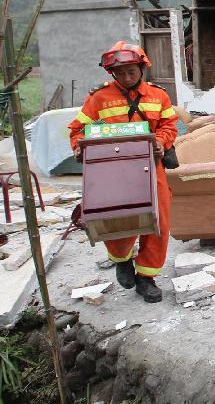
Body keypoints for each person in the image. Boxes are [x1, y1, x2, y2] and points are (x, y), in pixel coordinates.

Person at [68, 42, 179, 303]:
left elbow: (169, 125)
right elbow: (77, 130)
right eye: (121, 73)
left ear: (141, 68)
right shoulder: (99, 98)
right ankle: (121, 259)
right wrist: (78, 147)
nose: (127, 77)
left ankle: (147, 277)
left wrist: (161, 141)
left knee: (158, 221)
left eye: (132, 72)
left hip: (151, 168)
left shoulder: (158, 96)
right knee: (116, 218)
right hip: (112, 171)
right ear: (112, 73)